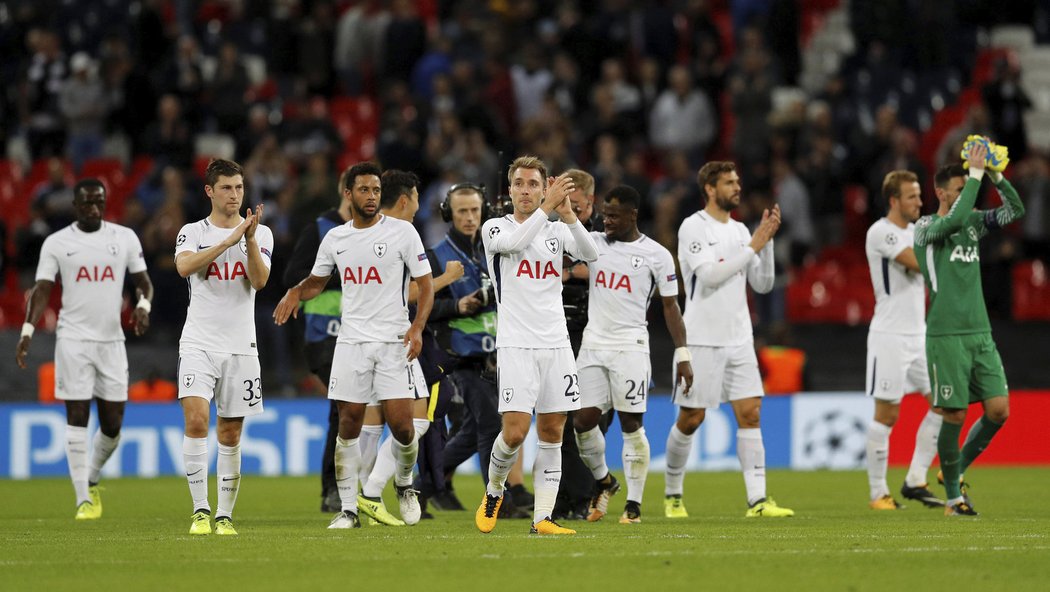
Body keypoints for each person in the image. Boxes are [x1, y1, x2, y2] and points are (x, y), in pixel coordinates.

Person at [274, 162, 434, 530]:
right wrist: (296, 293)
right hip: (351, 342)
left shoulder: (403, 233)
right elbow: (317, 281)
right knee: (347, 423)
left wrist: (418, 328)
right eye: (364, 190)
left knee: (404, 428)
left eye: (376, 190)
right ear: (348, 194)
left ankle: (405, 483)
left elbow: (425, 286)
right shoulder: (335, 239)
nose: (372, 197)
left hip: (393, 341)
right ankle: (348, 509)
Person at [474, 156, 599, 535]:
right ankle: (495, 490)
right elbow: (516, 242)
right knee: (514, 432)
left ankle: (542, 518)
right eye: (519, 183)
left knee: (552, 431)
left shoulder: (556, 230)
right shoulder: (495, 228)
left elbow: (592, 256)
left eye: (533, 184)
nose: (525, 190)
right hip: (516, 344)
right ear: (509, 189)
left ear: (544, 187)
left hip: (556, 343)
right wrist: (548, 209)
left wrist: (569, 215)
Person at [15, 178, 153, 520]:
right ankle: (82, 499)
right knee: (77, 416)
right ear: (75, 206)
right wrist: (28, 330)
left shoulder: (124, 238)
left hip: (111, 342)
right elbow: (42, 289)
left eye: (99, 202)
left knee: (113, 425)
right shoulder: (57, 243)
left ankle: (92, 475)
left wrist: (143, 307)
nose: (94, 207)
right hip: (73, 340)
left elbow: (144, 284)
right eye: (87, 202)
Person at [667, 160, 795, 519]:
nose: (737, 187)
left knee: (751, 413)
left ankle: (757, 501)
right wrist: (755, 245)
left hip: (739, 337)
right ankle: (673, 493)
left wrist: (765, 245)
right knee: (692, 418)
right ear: (710, 188)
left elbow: (763, 284)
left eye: (738, 181)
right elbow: (709, 277)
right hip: (702, 338)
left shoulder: (741, 230)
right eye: (729, 182)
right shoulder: (693, 227)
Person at [915, 142, 1025, 516]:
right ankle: (952, 500)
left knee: (998, 410)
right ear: (940, 192)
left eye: (968, 188)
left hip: (980, 333)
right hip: (946, 335)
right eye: (960, 189)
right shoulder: (926, 227)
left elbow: (1015, 210)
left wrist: (995, 175)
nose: (968, 194)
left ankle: (954, 471)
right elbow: (955, 220)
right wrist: (976, 176)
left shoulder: (973, 223)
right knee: (955, 415)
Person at [573, 185, 694, 524]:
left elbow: (671, 306)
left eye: (613, 215)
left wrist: (682, 353)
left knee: (630, 424)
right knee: (582, 422)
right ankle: (605, 481)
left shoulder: (656, 255)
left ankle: (634, 505)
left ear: (633, 215)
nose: (606, 220)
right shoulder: (593, 243)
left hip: (630, 346)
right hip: (593, 344)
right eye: (604, 214)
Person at [174, 158, 273, 536]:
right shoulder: (192, 231)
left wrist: (247, 239)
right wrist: (228, 240)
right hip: (198, 341)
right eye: (227, 188)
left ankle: (224, 516)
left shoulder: (261, 235)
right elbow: (185, 268)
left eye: (239, 188)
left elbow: (259, 281)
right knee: (197, 421)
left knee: (230, 434)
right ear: (210, 191)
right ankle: (200, 511)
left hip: (241, 346)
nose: (234, 195)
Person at [355, 169, 455, 526]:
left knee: (400, 421)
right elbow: (415, 290)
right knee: (403, 420)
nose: (418, 207)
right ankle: (372, 494)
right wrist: (448, 279)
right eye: (415, 199)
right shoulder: (383, 234)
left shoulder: (385, 233)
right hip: (388, 339)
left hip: (396, 337)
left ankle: (375, 493)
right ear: (405, 199)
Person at [428, 183, 530, 519]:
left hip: (498, 352)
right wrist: (456, 305)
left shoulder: (493, 247)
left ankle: (419, 485)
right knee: (489, 423)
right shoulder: (437, 255)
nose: (470, 218)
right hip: (460, 355)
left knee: (473, 431)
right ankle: (498, 503)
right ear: (449, 214)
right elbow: (420, 304)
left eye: (475, 210)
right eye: (462, 212)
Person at [863, 170, 944, 510]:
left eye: (920, 196)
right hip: (889, 337)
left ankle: (915, 478)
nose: (919, 202)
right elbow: (918, 265)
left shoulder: (916, 231)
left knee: (945, 404)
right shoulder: (881, 232)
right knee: (887, 414)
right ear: (894, 200)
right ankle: (878, 493)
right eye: (912, 197)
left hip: (919, 335)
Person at [282, 168, 353, 513]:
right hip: (323, 336)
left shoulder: (376, 233)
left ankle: (347, 486)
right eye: (360, 189)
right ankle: (334, 488)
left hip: (360, 336)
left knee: (350, 409)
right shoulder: (320, 230)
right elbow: (292, 276)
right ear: (344, 189)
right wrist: (339, 275)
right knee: (343, 406)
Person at [554, 167, 600, 521]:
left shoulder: (602, 231)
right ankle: (575, 495)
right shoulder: (553, 230)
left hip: (594, 335)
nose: (574, 212)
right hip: (560, 331)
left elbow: (603, 262)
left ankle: (587, 488)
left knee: (581, 421)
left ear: (591, 202)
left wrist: (570, 272)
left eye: (579, 207)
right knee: (562, 419)